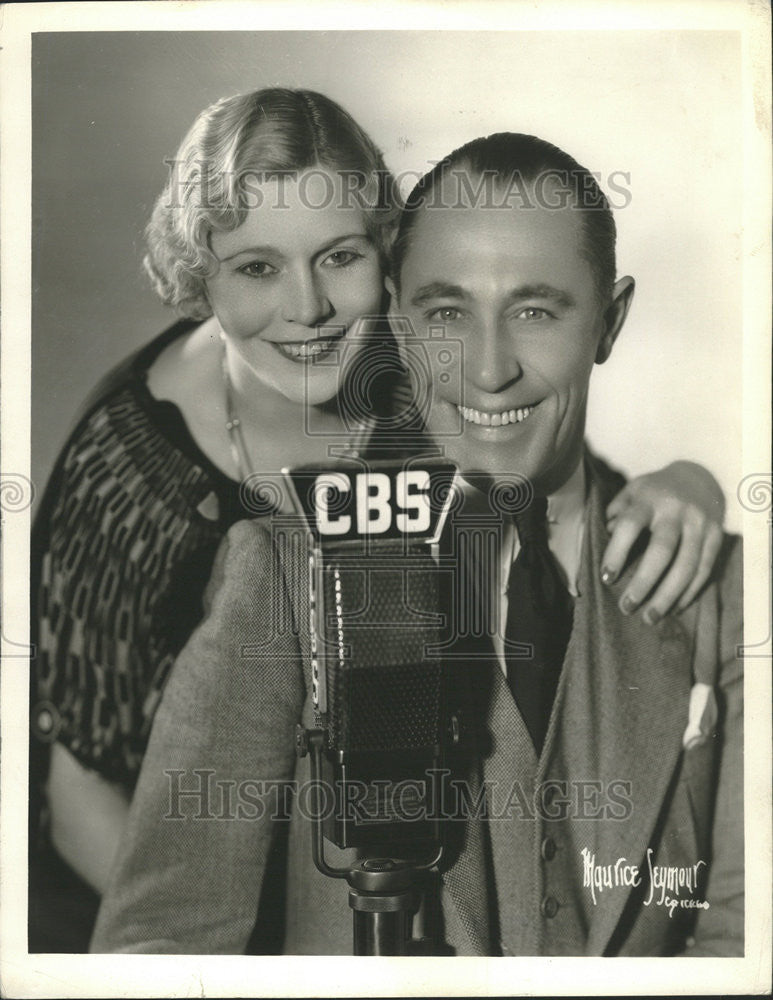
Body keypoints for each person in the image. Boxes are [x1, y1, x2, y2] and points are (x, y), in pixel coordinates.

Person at [89, 132, 742, 956]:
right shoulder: (292, 567)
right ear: (398, 319)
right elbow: (160, 945)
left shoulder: (723, 592)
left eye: (535, 311)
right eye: (445, 312)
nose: (489, 368)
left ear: (609, 322)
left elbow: (748, 938)